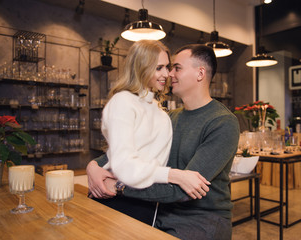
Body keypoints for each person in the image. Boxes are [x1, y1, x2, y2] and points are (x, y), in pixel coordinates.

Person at [87, 44, 240, 240]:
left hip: (201, 219)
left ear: (200, 73)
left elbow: (183, 190)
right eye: (167, 68)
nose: (169, 74)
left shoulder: (223, 122)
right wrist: (93, 166)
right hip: (159, 211)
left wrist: (120, 186)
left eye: (177, 68)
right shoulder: (169, 118)